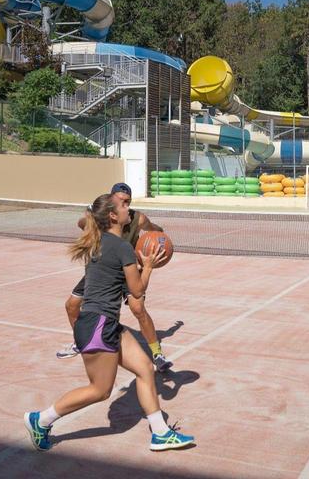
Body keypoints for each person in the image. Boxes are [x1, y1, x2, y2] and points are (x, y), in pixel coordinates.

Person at [24, 193, 194, 452]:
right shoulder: (121, 247)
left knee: (145, 369)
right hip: (98, 325)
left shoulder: (99, 241)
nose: (129, 208)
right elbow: (136, 292)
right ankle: (41, 419)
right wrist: (147, 265)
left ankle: (160, 433)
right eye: (124, 205)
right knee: (100, 390)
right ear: (113, 215)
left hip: (103, 323)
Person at [56, 183, 173, 372]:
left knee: (138, 308)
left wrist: (161, 235)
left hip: (127, 269)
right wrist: (89, 216)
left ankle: (157, 353)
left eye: (127, 201)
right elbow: (81, 224)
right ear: (111, 204)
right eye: (120, 201)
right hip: (104, 269)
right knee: (71, 305)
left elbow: (153, 228)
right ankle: (81, 340)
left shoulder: (138, 218)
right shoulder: (100, 219)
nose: (124, 204)